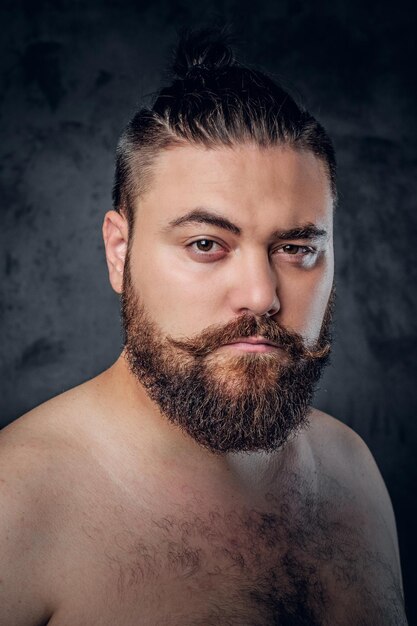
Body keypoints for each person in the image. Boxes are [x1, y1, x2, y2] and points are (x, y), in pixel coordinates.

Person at [0, 27, 407, 626]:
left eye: (296, 248)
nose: (262, 296)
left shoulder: (354, 470)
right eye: (205, 243)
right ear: (120, 250)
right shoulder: (17, 503)